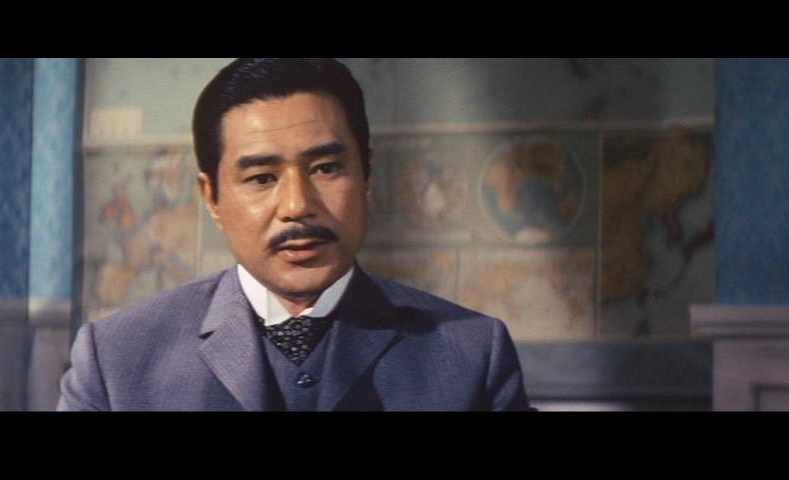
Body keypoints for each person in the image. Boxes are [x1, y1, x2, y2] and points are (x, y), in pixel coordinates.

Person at [57, 58, 533, 411]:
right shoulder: (116, 360)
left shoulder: (470, 353)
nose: (297, 205)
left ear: (367, 177)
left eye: (326, 168)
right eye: (262, 178)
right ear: (211, 197)